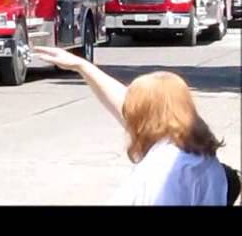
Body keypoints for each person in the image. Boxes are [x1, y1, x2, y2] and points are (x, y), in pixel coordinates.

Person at [34, 46, 234, 205]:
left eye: (135, 109)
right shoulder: (193, 154)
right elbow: (123, 102)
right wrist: (82, 66)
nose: (129, 115)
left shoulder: (167, 169)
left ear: (146, 115)